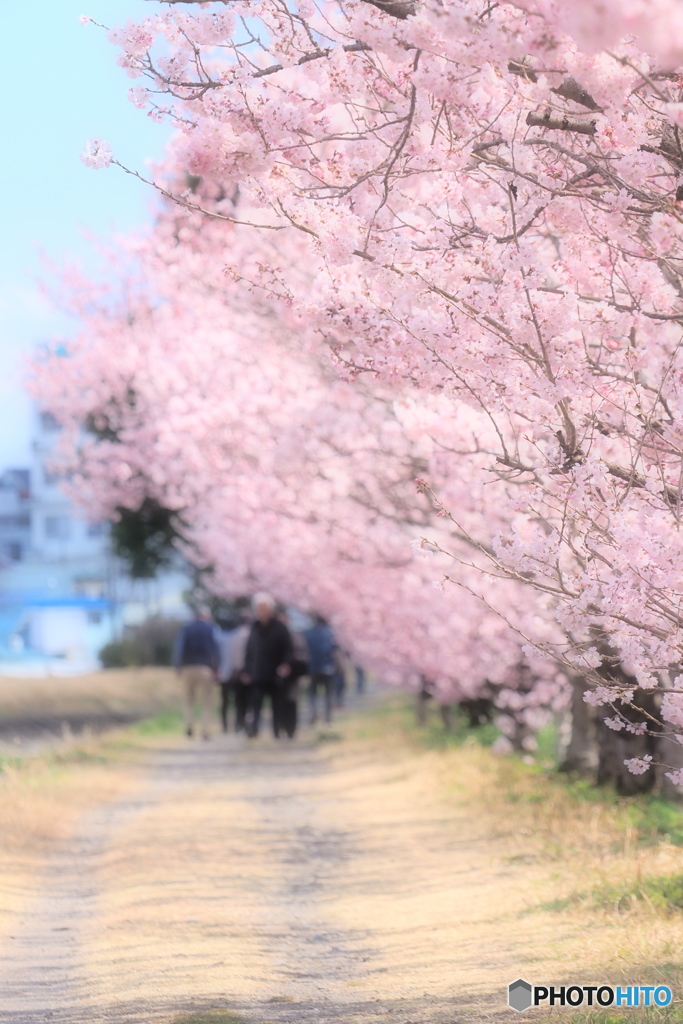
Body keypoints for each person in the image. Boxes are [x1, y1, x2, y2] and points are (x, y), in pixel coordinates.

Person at [242, 593, 293, 738]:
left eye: (264, 608)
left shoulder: (280, 628)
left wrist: (285, 664)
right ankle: (254, 730)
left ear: (271, 609)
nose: (261, 611)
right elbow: (249, 651)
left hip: (275, 673)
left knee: (277, 705)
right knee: (256, 705)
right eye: (258, 608)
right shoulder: (253, 627)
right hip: (257, 672)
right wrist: (246, 670)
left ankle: (277, 730)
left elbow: (288, 649)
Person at [173, 606, 219, 740]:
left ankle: (189, 724)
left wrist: (177, 666)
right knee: (206, 701)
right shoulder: (210, 628)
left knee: (188, 699)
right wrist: (216, 667)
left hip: (188, 668)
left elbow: (179, 648)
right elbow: (216, 649)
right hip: (205, 668)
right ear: (206, 616)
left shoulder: (186, 629)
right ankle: (205, 730)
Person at [277, 610, 309, 739]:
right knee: (280, 702)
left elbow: (303, 654)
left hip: (293, 675)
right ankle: (282, 727)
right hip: (277, 676)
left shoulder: (295, 636)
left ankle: (291, 728)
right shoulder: (275, 636)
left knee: (292, 701)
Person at [216, 614, 250, 732]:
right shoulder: (240, 637)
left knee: (225, 701)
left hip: (224, 673)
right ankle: (238, 724)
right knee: (238, 700)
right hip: (237, 673)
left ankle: (225, 725)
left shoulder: (220, 638)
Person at [303, 613, 337, 725]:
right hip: (327, 667)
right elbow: (335, 648)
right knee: (328, 693)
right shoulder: (329, 632)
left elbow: (305, 649)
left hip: (313, 667)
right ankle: (328, 717)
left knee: (313, 692)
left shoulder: (310, 633)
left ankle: (314, 710)